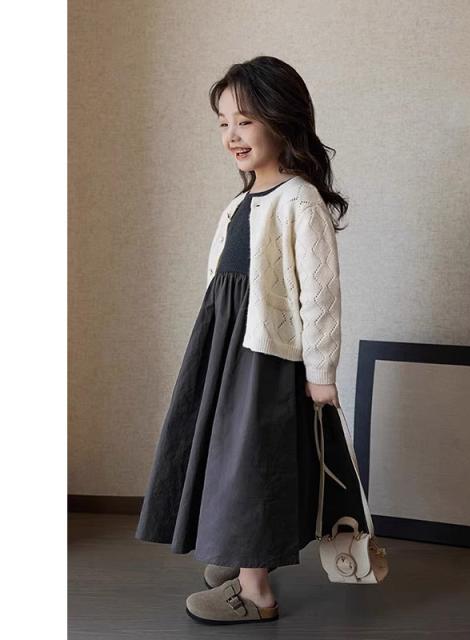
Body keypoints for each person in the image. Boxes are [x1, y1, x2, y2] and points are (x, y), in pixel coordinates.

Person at [134, 56, 367, 625]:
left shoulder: (299, 200)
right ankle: (239, 550)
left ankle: (256, 590)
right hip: (226, 349)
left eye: (245, 120)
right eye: (223, 123)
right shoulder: (240, 202)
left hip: (266, 355)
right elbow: (223, 286)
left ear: (281, 119)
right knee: (223, 453)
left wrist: (321, 372)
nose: (232, 135)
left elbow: (321, 295)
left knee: (253, 460)